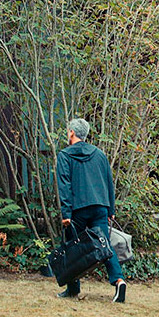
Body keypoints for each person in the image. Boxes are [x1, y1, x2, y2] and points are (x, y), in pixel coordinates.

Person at [56, 118, 126, 303]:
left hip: (78, 208)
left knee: (74, 248)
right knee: (104, 245)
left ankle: (73, 289)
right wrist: (110, 208)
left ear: (71, 132)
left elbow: (65, 186)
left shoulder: (64, 155)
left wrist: (66, 214)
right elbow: (109, 183)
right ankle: (119, 281)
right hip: (100, 206)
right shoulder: (100, 154)